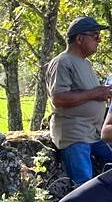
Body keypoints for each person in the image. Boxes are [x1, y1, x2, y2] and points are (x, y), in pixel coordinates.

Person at [47, 15, 112, 186]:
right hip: (74, 135)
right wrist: (95, 94)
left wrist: (103, 93)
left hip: (92, 134)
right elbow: (58, 98)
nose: (99, 40)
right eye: (95, 36)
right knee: (84, 186)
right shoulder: (63, 62)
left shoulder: (85, 63)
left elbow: (91, 93)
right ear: (80, 38)